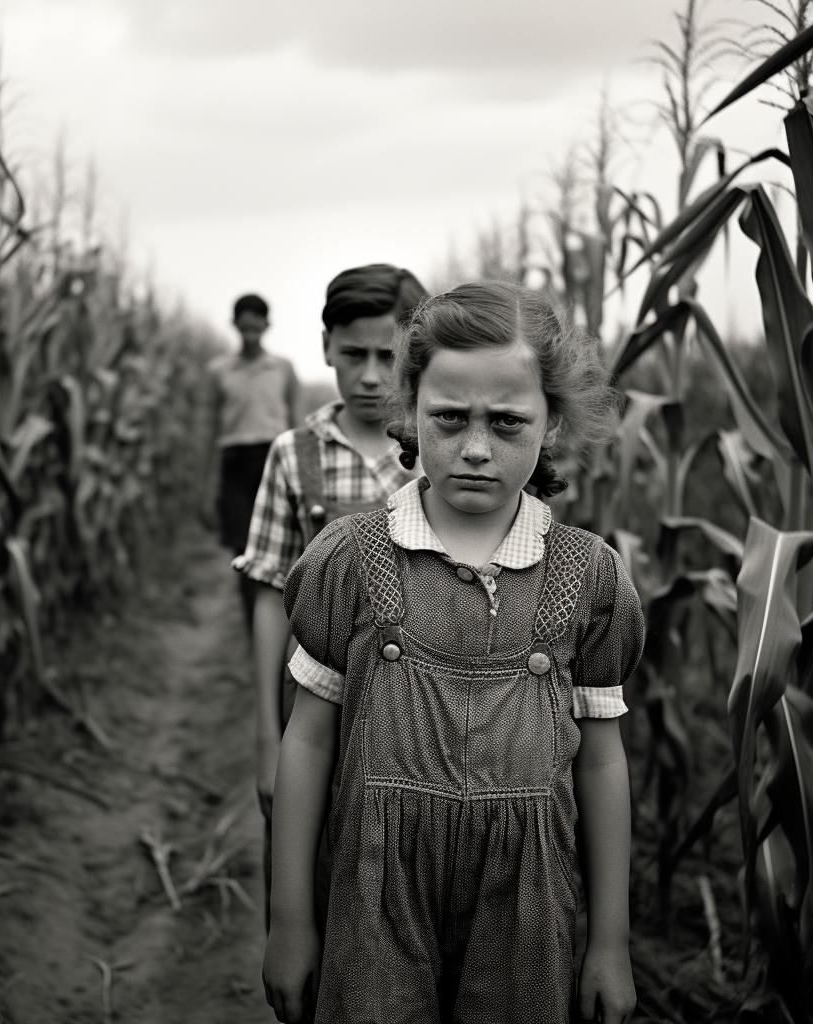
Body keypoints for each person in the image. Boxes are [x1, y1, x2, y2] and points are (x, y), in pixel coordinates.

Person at [263, 281, 643, 1024]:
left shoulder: (587, 575)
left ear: (553, 422)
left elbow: (602, 760)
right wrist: (291, 921)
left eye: (507, 423)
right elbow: (307, 740)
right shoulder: (350, 558)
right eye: (448, 419)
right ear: (408, 408)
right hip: (375, 890)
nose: (475, 448)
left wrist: (612, 942)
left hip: (526, 902)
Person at [233, 264, 427, 930]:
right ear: (326, 349)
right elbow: (267, 597)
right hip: (317, 713)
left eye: (388, 356)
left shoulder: (440, 452)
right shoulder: (293, 455)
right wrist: (267, 735)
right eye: (353, 355)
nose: (371, 375)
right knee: (312, 873)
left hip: (422, 719)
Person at [201, 293, 299, 629]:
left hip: (273, 463)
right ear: (235, 326)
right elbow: (210, 429)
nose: (250, 334)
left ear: (267, 326)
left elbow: (296, 424)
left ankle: (284, 629)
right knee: (243, 556)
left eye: (256, 327)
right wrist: (206, 487)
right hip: (234, 465)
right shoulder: (219, 371)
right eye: (244, 328)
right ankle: (253, 632)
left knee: (281, 553)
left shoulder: (282, 369)